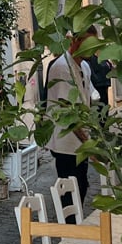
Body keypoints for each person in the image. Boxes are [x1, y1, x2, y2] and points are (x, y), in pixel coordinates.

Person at [44, 33, 92, 207]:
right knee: (71, 192)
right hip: (66, 141)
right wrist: (88, 144)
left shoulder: (85, 66)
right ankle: (69, 230)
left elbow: (88, 97)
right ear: (75, 41)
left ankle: (76, 227)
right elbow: (67, 111)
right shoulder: (62, 67)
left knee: (81, 186)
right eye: (88, 42)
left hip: (81, 140)